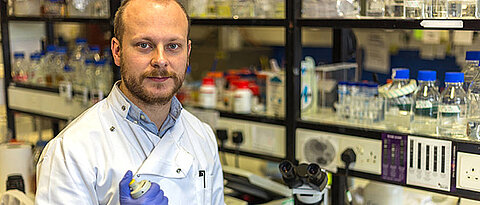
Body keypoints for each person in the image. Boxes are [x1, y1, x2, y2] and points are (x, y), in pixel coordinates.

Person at [34, 0, 225, 204]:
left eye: (173, 46)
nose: (160, 60)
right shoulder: (71, 151)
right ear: (117, 51)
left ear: (187, 53)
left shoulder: (202, 136)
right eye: (144, 45)